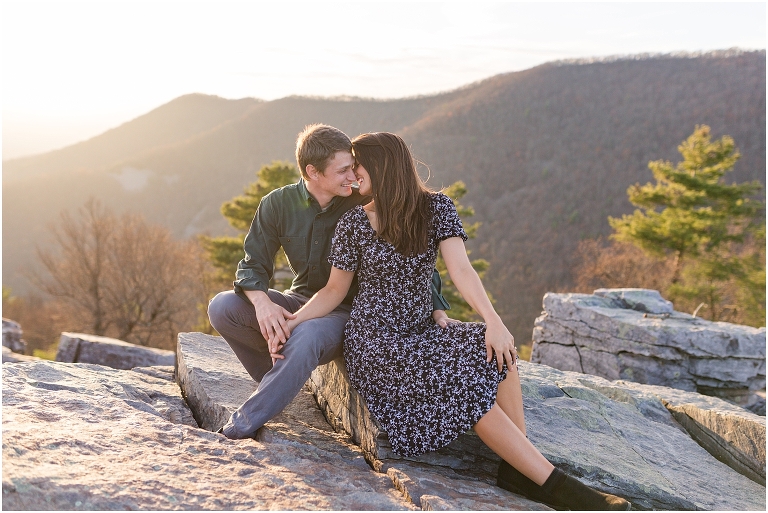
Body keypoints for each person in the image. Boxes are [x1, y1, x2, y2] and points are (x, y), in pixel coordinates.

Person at [273, 132, 631, 511]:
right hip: (377, 344)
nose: (352, 175)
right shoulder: (353, 224)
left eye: (357, 165)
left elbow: (461, 269)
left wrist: (493, 320)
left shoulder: (436, 208)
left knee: (498, 350)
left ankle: (519, 469)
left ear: (381, 167)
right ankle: (559, 489)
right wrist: (293, 321)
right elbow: (332, 292)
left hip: (421, 330)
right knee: (465, 386)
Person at [207, 124, 452, 439]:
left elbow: (413, 259)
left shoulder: (362, 204)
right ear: (313, 172)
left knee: (307, 333)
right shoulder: (278, 203)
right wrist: (263, 304)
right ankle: (279, 380)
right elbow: (252, 264)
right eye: (343, 170)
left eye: (353, 167)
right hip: (304, 300)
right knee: (223, 306)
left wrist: (435, 307)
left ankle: (241, 424)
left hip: (353, 313)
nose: (353, 176)